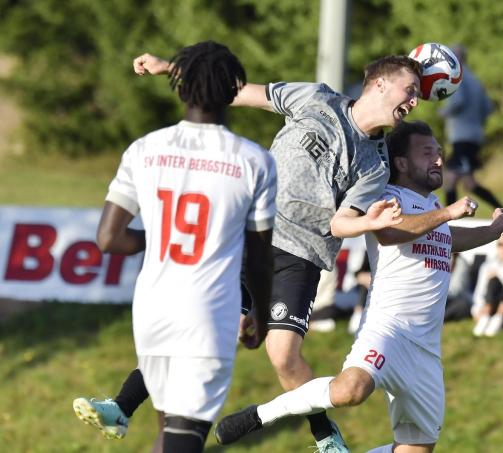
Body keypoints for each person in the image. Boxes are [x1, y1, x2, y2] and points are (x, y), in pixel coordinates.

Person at [124, 49, 431, 451]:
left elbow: (341, 222)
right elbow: (236, 92)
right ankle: (122, 407)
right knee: (199, 326)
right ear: (379, 83)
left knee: (283, 356)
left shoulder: (375, 164)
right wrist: (170, 67)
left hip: (301, 254)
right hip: (249, 234)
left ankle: (323, 434)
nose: (413, 101)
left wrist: (370, 223)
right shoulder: (316, 99)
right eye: (409, 91)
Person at [213, 120, 503, 453]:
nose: (438, 160)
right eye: (428, 153)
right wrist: (449, 214)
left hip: (426, 350)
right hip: (388, 331)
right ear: (401, 163)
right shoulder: (387, 197)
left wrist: (492, 231)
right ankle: (260, 415)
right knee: (349, 390)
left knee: (416, 449)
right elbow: (391, 232)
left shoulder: (433, 206)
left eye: (439, 153)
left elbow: (445, 238)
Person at [73, 41, 277, 453]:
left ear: (180, 88)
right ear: (234, 90)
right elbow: (258, 256)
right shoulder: (254, 161)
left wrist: (161, 238)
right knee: (184, 441)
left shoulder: (144, 149)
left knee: (168, 436)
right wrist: (261, 313)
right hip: (207, 314)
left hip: (151, 310)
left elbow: (108, 238)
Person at [438, 44, 503, 215]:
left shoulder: (457, 77)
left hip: (462, 137)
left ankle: (449, 218)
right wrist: (475, 119)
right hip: (474, 136)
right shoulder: (475, 80)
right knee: (465, 181)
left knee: (451, 179)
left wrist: (444, 112)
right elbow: (488, 108)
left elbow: (458, 102)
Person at [443, 253, 474, 322]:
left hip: (457, 299)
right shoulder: (441, 260)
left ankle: (441, 318)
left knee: (461, 306)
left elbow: (457, 290)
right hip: (445, 297)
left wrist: (440, 293)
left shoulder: (461, 263)